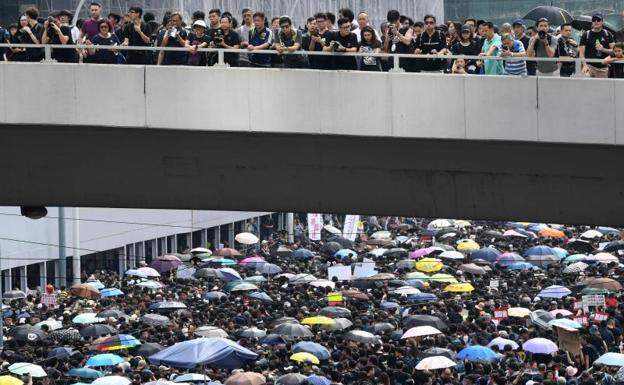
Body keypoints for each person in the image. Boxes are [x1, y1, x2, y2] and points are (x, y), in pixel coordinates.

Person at [579, 13, 615, 78]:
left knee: (602, 87)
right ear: (592, 22)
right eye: (594, 20)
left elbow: (615, 51)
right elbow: (581, 53)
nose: (596, 22)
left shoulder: (607, 34)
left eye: (598, 20)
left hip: (603, 68)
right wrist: (584, 65)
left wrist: (603, 49)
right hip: (589, 66)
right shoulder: (586, 34)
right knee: (585, 82)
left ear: (602, 22)